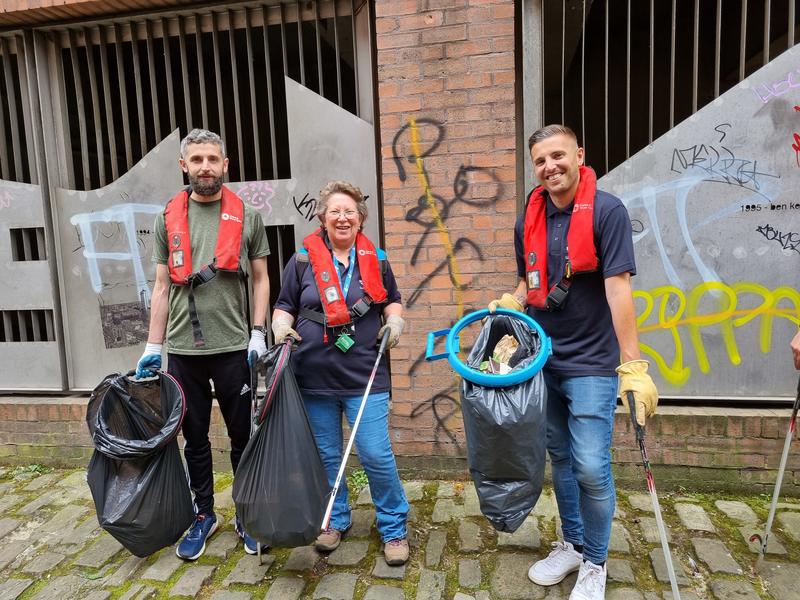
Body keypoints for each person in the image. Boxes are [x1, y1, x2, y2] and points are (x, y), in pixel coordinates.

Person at [488, 124, 658, 600]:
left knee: (589, 467)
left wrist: (633, 365)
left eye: (558, 156)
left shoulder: (607, 211)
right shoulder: (529, 218)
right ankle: (573, 544)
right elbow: (529, 282)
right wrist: (512, 302)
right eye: (540, 161)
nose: (550, 167)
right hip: (543, 360)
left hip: (592, 364)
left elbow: (618, 288)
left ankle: (596, 563)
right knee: (560, 459)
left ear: (579, 155)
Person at [135, 128, 270, 560]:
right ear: (184, 166)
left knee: (241, 436)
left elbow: (263, 278)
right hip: (183, 351)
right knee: (192, 436)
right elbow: (160, 287)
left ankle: (248, 514)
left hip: (234, 347)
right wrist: (152, 347)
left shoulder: (247, 216)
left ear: (226, 164)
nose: (206, 167)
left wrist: (257, 332)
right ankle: (204, 514)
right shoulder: (165, 219)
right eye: (197, 160)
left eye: (213, 159)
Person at [271, 180, 410, 565]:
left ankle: (394, 526)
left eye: (350, 210)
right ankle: (335, 518)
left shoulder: (377, 260)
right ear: (323, 217)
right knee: (327, 455)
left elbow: (393, 302)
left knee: (375, 454)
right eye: (335, 210)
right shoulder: (301, 261)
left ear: (361, 218)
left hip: (365, 374)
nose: (343, 217)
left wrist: (395, 323)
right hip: (313, 375)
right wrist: (281, 327)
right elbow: (284, 305)